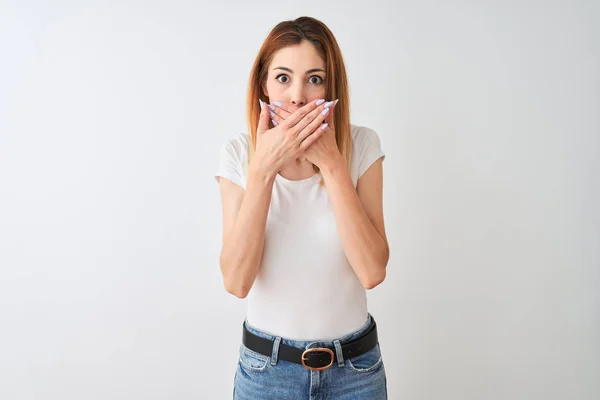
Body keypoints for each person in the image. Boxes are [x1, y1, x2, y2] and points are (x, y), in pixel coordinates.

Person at [215, 16, 389, 399]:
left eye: (314, 79)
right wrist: (262, 170)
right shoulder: (238, 154)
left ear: (331, 85)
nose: (297, 96)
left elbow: (373, 271)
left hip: (355, 373)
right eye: (282, 78)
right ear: (263, 85)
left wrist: (331, 163)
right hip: (267, 374)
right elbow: (236, 282)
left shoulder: (361, 146)